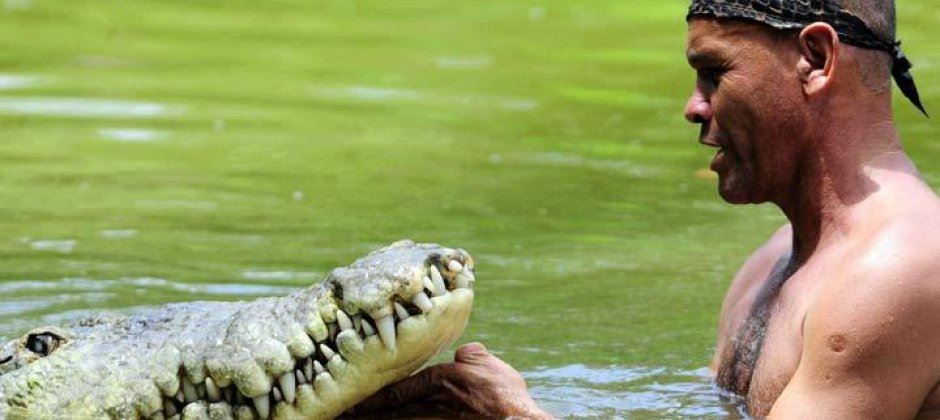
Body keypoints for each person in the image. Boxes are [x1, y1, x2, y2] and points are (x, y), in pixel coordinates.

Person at [352, 0, 940, 417]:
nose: (693, 107)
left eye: (714, 73)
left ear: (814, 58)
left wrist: (515, 414)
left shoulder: (895, 274)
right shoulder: (771, 264)